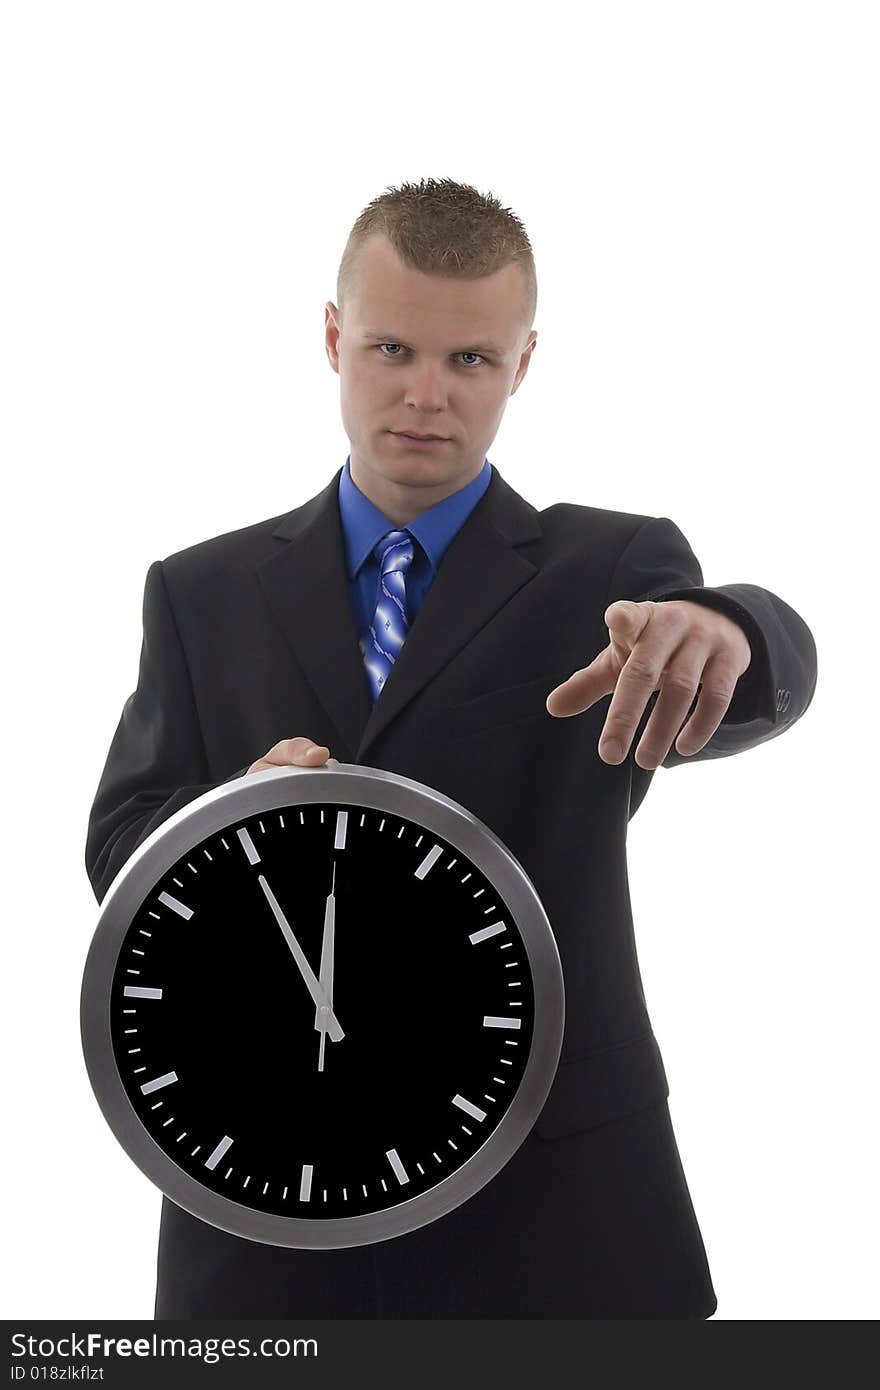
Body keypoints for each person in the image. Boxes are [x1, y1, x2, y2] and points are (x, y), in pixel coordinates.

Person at [84, 177, 817, 1319]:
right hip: (273, 1184)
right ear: (333, 338)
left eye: (471, 360)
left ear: (523, 364)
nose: (428, 394)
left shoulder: (606, 572)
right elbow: (122, 840)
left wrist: (725, 627)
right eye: (391, 348)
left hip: (554, 1199)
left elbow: (742, 669)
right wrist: (227, 819)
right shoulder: (201, 589)